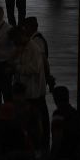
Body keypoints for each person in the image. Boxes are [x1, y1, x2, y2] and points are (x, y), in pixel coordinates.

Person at [15, 16, 53, 150]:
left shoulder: (35, 44)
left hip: (34, 89)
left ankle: (40, 143)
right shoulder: (33, 44)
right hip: (34, 88)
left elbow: (38, 66)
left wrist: (18, 68)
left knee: (38, 117)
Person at [50, 85, 80, 160]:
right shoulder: (75, 113)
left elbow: (57, 138)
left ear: (56, 99)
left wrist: (52, 156)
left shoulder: (58, 114)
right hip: (75, 156)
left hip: (62, 156)